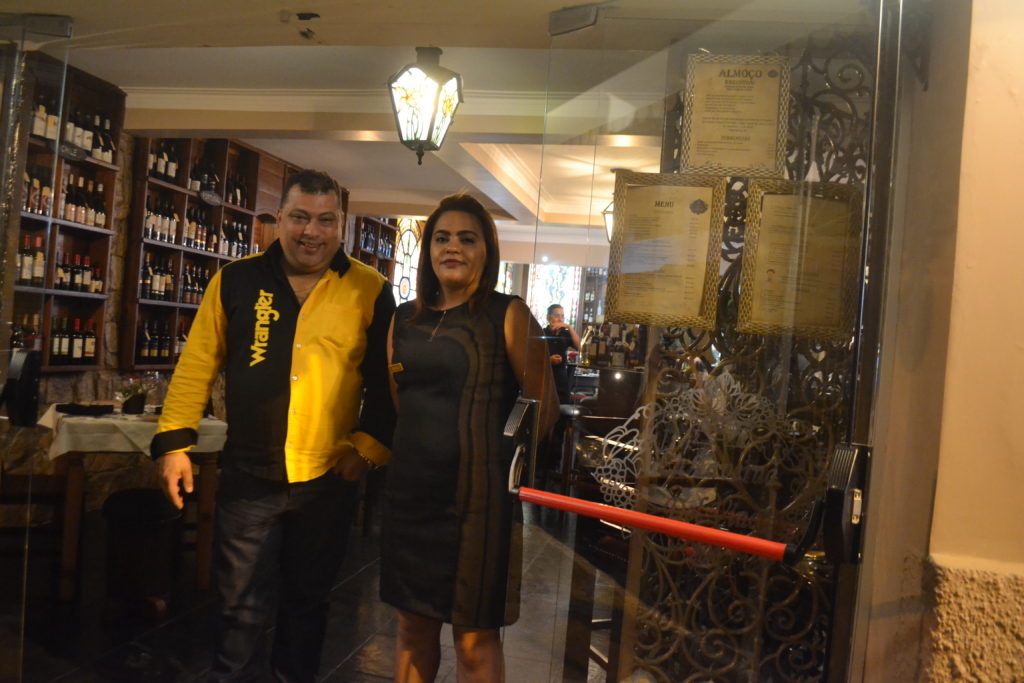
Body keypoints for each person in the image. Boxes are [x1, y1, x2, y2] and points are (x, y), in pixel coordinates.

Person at [151, 169, 396, 682]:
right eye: (301, 217)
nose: (312, 232)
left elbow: (385, 382)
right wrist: (174, 444)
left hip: (328, 477)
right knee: (237, 606)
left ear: (342, 226)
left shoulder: (370, 289)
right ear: (279, 218)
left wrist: (366, 450)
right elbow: (197, 364)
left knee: (308, 603)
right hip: (249, 473)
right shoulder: (235, 280)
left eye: (325, 220)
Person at [381, 193, 559, 682]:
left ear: (487, 250)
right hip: (410, 498)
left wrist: (495, 470)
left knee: (475, 640)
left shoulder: (508, 313)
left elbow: (544, 409)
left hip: (478, 505)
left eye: (467, 238)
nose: (452, 247)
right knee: (411, 628)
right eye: (441, 238)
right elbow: (403, 403)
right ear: (428, 251)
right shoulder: (403, 319)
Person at [543, 303, 581, 404]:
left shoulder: (565, 333)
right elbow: (534, 356)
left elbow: (579, 347)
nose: (560, 319)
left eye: (562, 316)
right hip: (545, 375)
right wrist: (549, 360)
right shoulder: (542, 333)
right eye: (557, 315)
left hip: (562, 376)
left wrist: (569, 327)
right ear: (548, 317)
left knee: (563, 404)